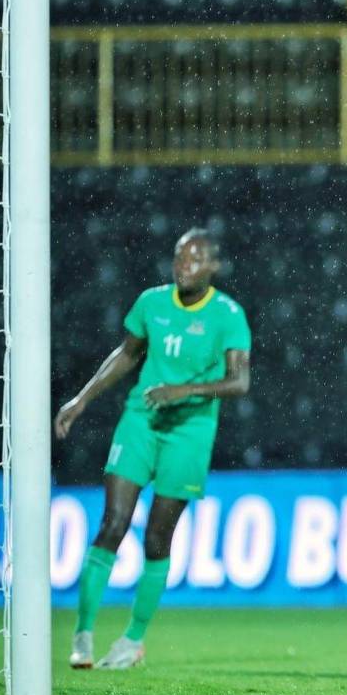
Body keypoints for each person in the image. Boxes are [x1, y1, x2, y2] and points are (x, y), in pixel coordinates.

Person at [55, 229, 251, 669]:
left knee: (157, 537)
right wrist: (81, 400)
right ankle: (83, 634)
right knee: (113, 522)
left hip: (190, 432)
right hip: (141, 421)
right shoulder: (152, 302)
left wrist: (183, 390)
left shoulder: (228, 315)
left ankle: (132, 640)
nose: (184, 265)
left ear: (213, 267)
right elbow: (126, 354)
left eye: (195, 259)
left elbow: (240, 382)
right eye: (180, 257)